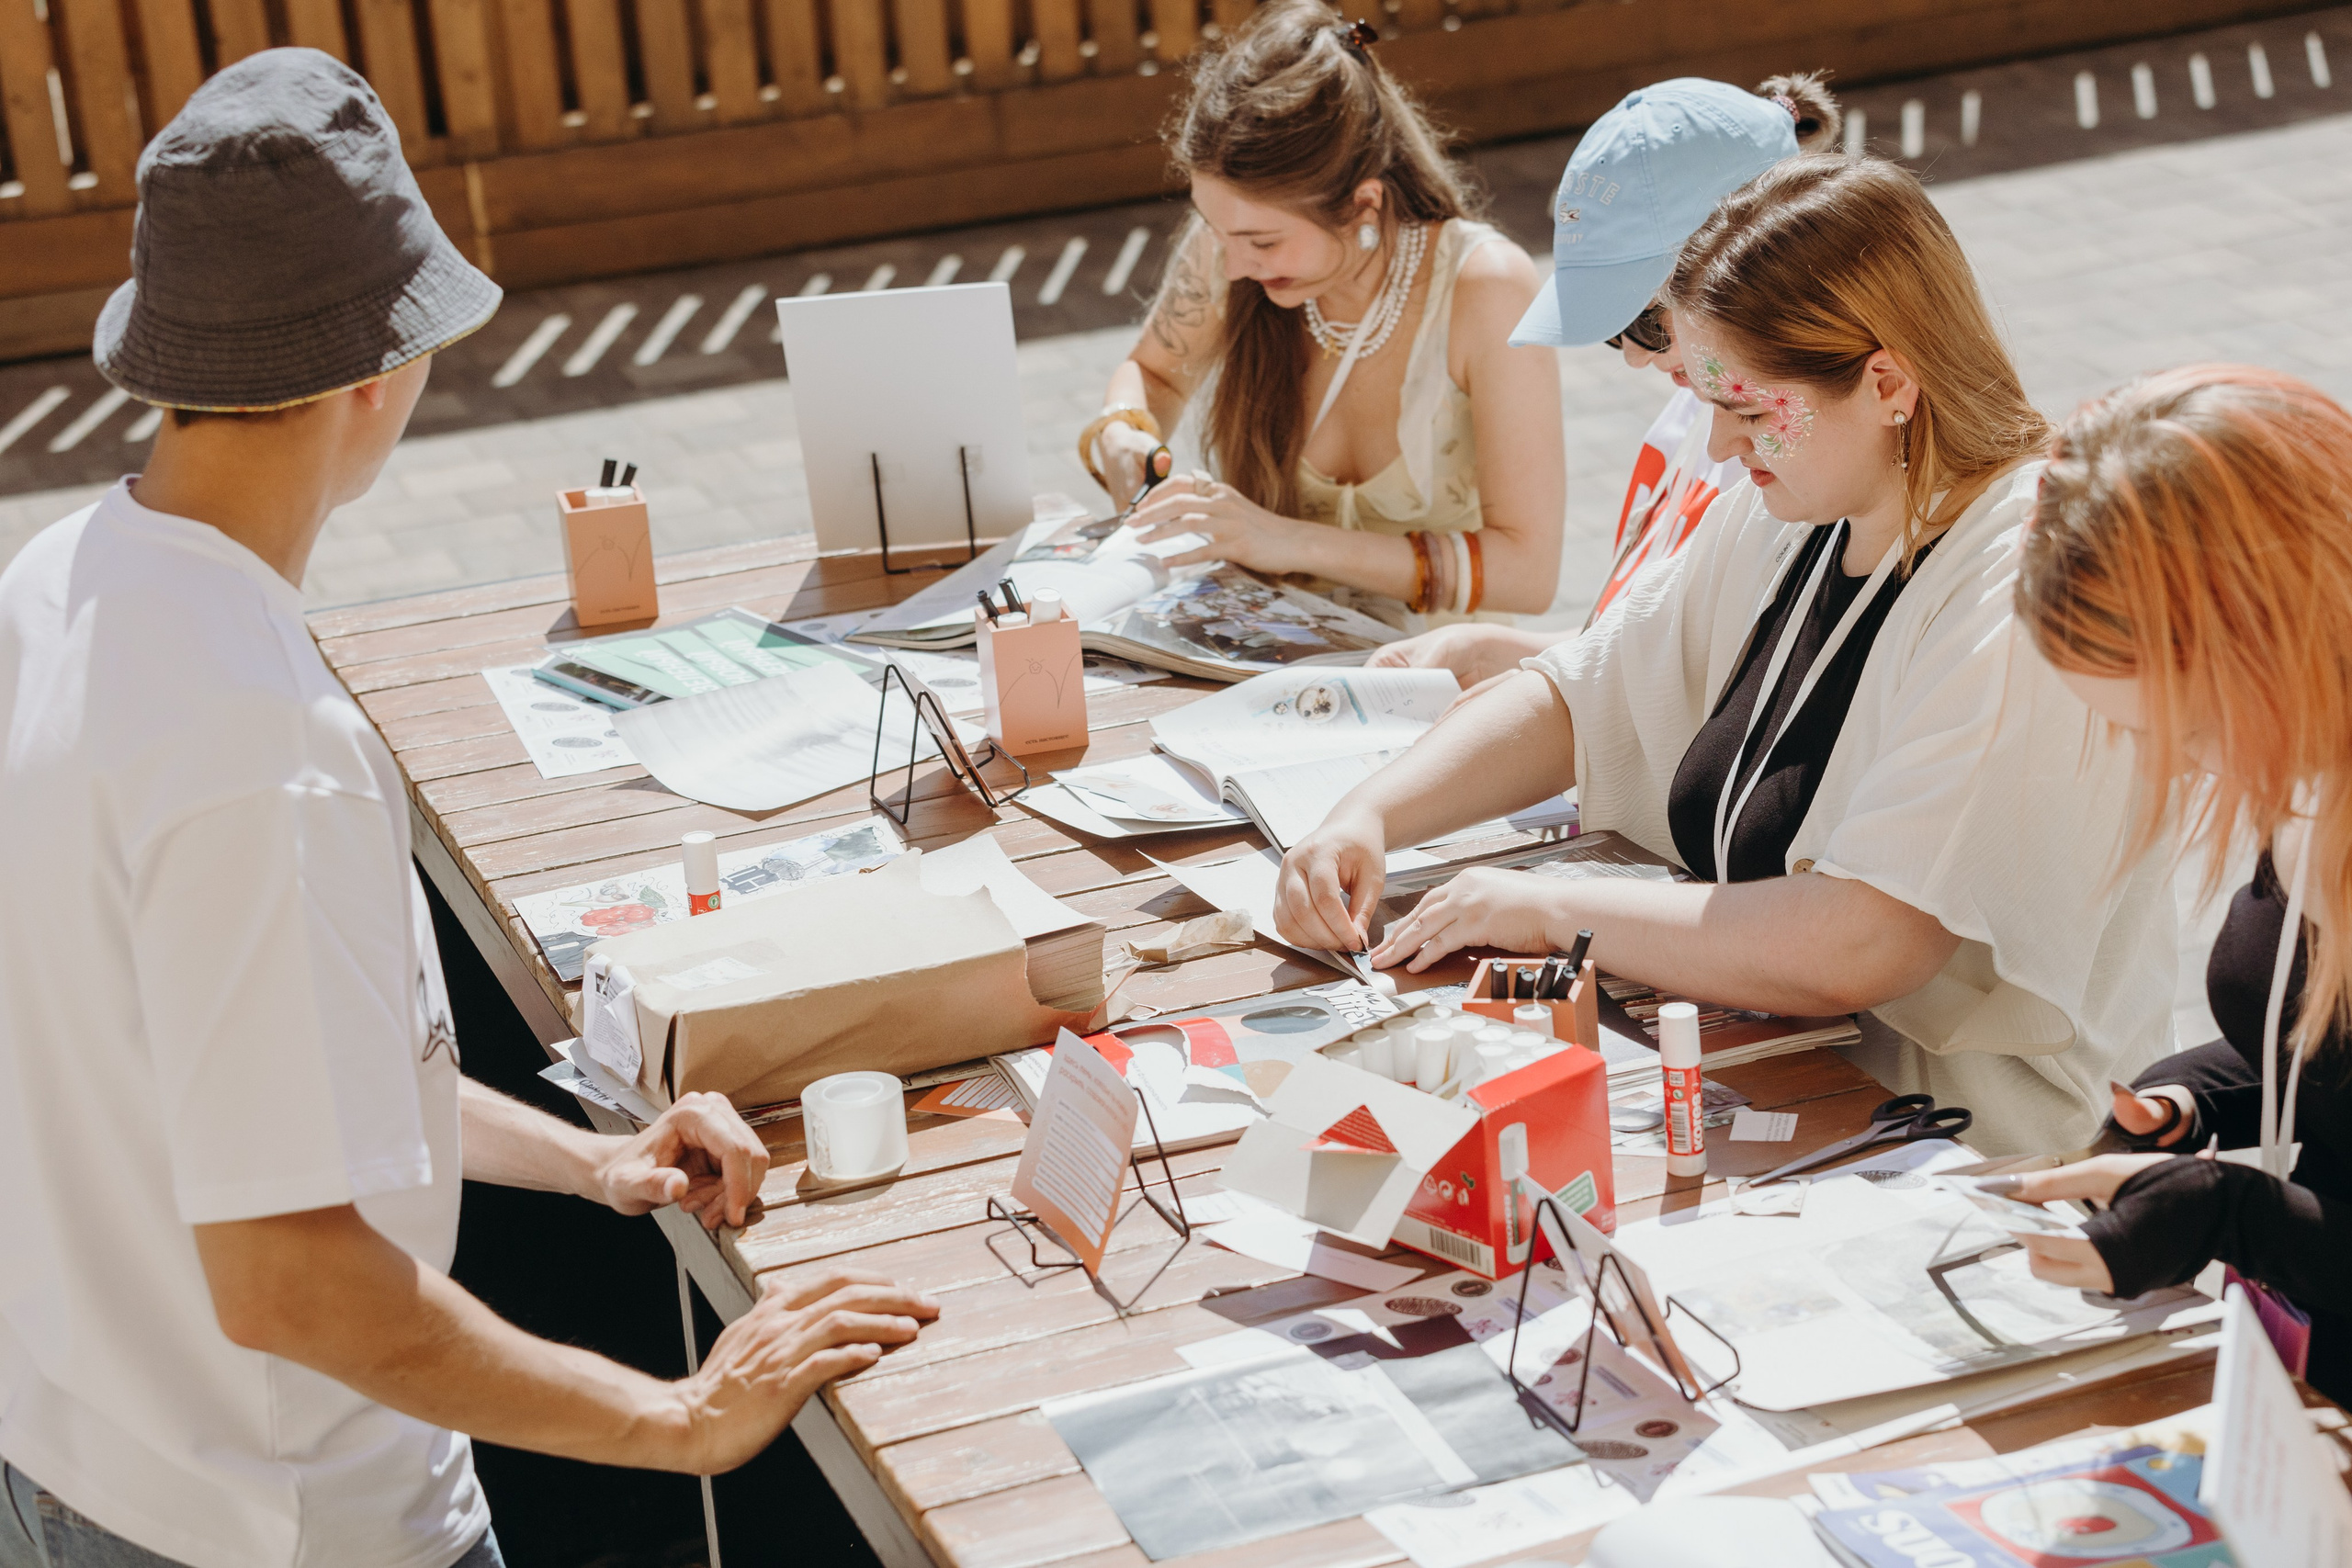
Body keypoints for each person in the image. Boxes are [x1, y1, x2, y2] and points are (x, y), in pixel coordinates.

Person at [0, 51, 935, 1568]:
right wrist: (680, 1415)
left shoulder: (51, 588)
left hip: (74, 1459)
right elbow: (291, 1282)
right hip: (283, 1524)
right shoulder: (264, 748)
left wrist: (591, 1159)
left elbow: (251, 1079)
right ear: (380, 366)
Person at [1275, 155, 2177, 1154]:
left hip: (1991, 1155)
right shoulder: (1803, 502)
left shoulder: (2021, 580)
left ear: (1886, 382)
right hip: (1808, 1090)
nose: (1716, 446)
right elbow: (1584, 693)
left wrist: (1543, 912)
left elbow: (1864, 938)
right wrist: (1366, 818)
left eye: (1746, 411)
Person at [2004, 367, 2352, 1401]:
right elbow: (2323, 1058)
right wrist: (2192, 1102)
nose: (2189, 767)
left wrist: (2224, 1211)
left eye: (2190, 731)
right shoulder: (2311, 769)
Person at [1080, 0, 1564, 626]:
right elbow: (1157, 373)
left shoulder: (1485, 287)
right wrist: (1122, 433)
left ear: (1364, 205)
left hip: (1422, 683)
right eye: (1217, 231)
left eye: (1263, 242)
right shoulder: (1232, 243)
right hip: (1254, 658)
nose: (1229, 267)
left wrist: (1283, 540)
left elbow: (1529, 573)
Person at [1370, 73, 1842, 690]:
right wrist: (1496, 649)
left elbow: (1720, 691)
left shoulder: (1797, 454)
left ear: (1757, 266)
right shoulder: (1692, 415)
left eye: (1646, 323)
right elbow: (1655, 640)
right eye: (1612, 330)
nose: (1634, 360)